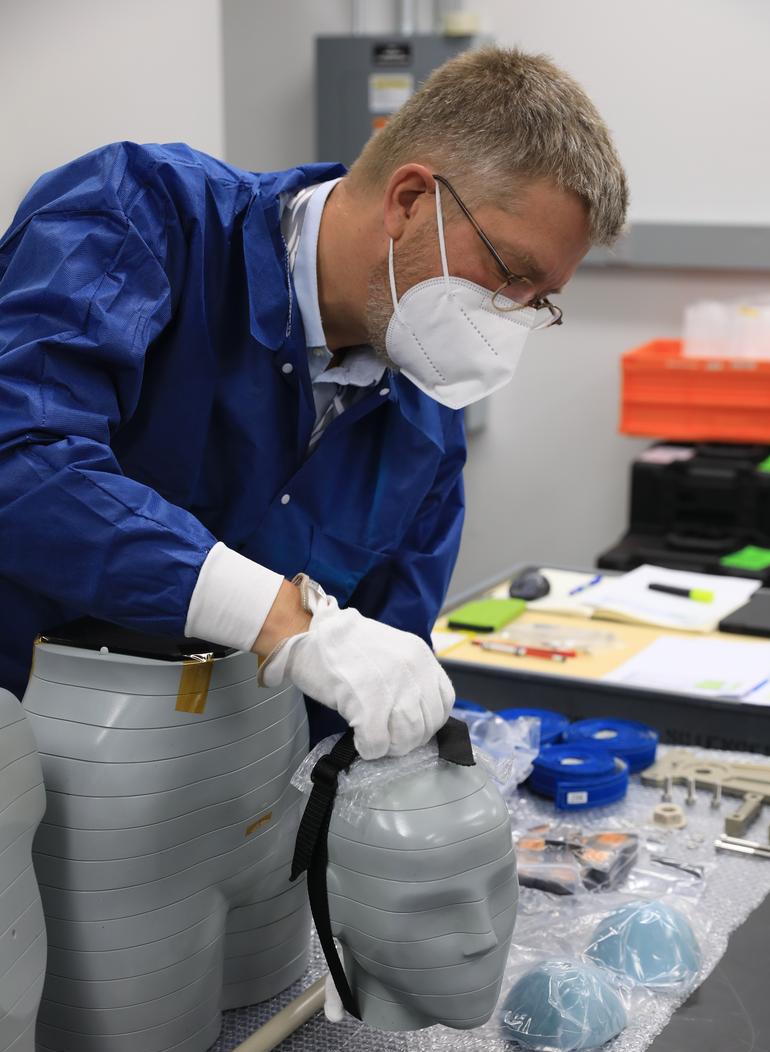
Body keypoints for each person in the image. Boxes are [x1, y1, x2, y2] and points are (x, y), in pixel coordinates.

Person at [0, 46, 627, 758]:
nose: (508, 316)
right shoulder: (143, 218)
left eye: (537, 301)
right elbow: (20, 461)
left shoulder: (423, 419)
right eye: (509, 273)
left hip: (203, 802)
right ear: (409, 201)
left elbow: (371, 683)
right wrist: (282, 619)